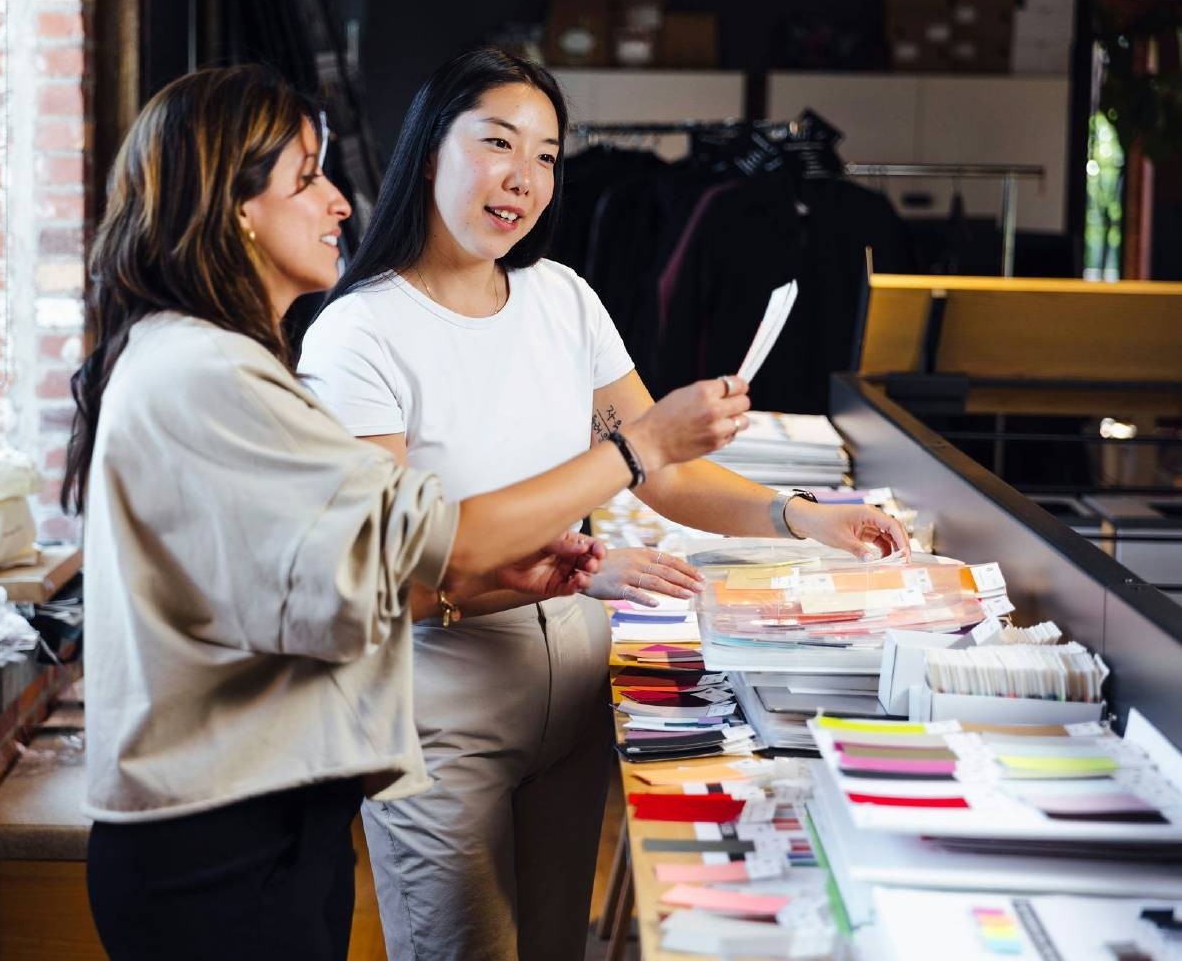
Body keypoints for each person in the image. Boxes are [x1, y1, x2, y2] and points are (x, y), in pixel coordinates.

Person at [64, 65, 756, 961]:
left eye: (546, 155)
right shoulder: (220, 370)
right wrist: (633, 451)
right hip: (221, 831)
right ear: (237, 208)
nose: (338, 202)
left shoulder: (211, 361)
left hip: (265, 812)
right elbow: (429, 543)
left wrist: (510, 579)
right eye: (307, 177)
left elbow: (337, 591)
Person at [298, 47, 909, 961]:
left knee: (555, 947)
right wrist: (634, 462)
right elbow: (395, 566)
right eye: (497, 143)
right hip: (437, 703)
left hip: (580, 684)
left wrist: (802, 517)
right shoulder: (359, 333)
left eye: (546, 155)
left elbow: (662, 473)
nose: (523, 177)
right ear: (429, 152)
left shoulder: (562, 298)